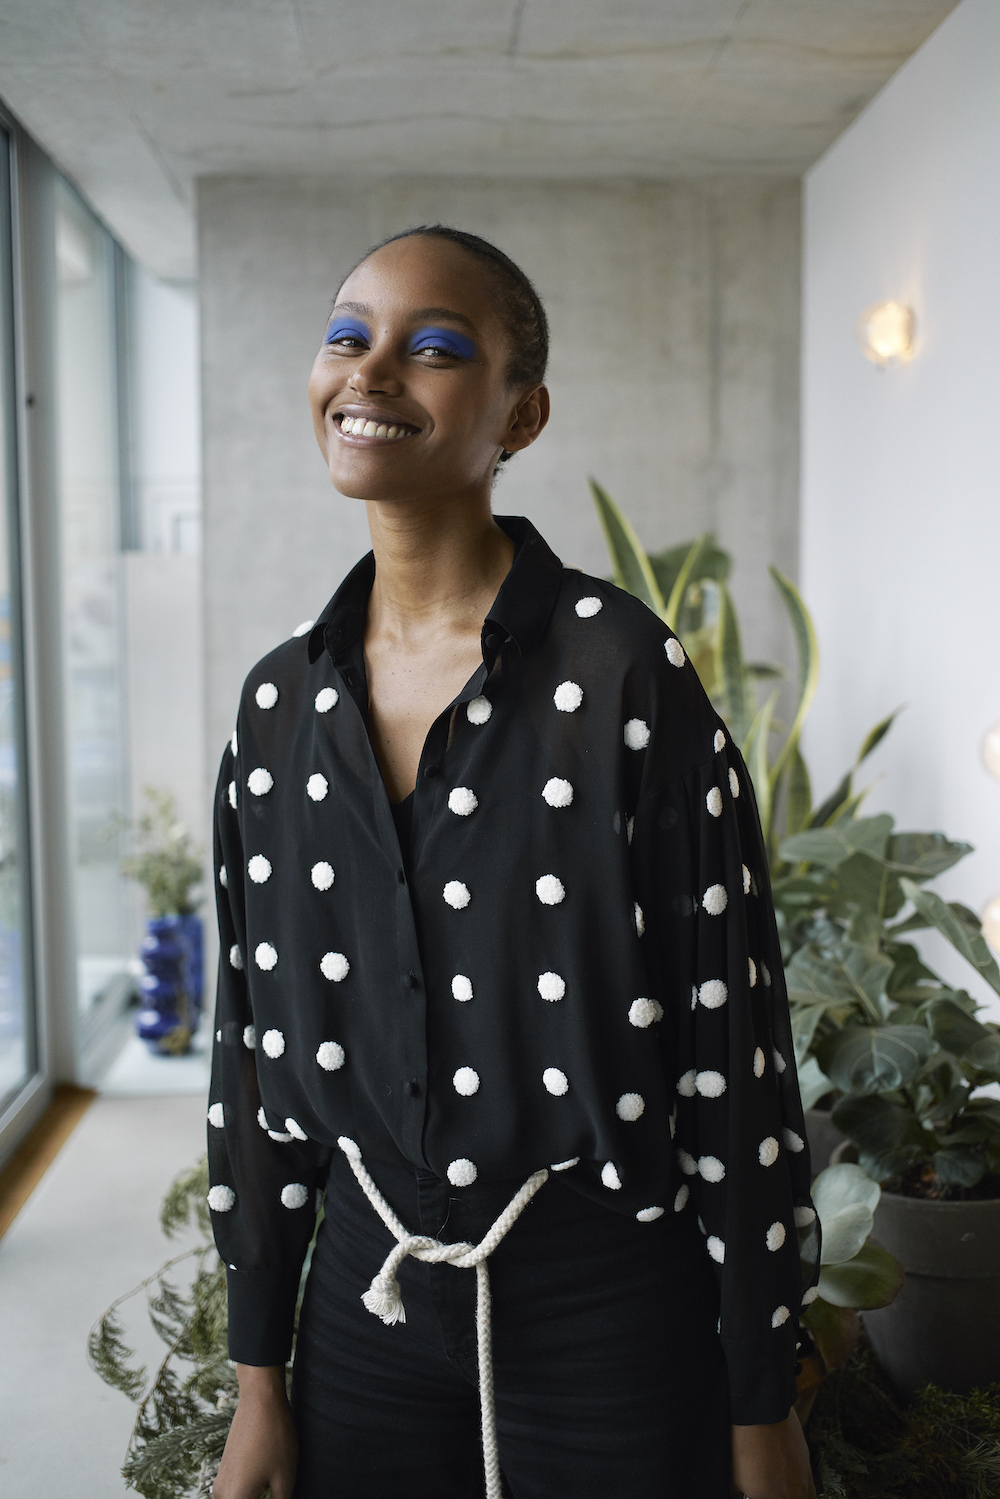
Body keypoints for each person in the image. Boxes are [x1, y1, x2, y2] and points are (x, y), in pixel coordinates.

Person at [208, 225, 819, 1499]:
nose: (370, 371)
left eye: (433, 348)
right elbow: (250, 1052)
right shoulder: (278, 707)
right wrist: (258, 1379)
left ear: (520, 415)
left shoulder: (622, 675)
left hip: (607, 1307)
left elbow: (733, 1046)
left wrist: (760, 1398)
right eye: (346, 336)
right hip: (363, 1299)